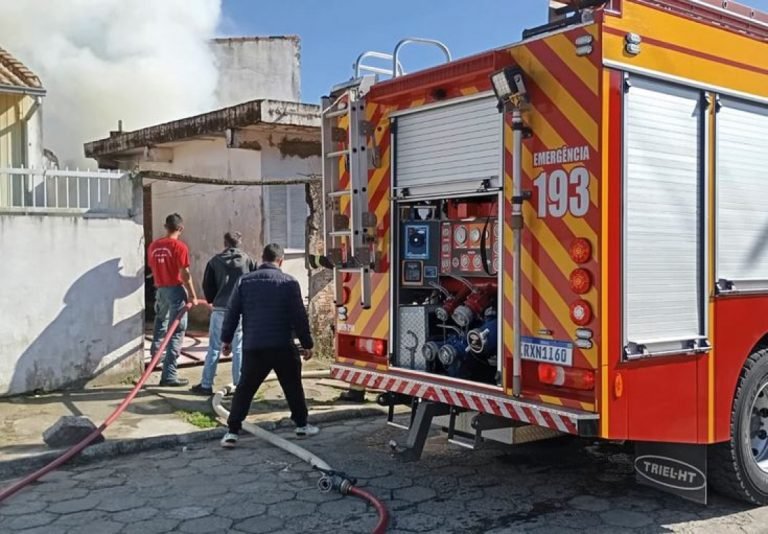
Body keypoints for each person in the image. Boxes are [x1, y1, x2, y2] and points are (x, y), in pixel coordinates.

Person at [219, 243, 318, 447]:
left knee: (245, 388)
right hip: (282, 345)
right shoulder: (289, 282)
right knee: (293, 386)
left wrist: (226, 340)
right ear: (280, 260)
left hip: (254, 347)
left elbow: (232, 313)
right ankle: (301, 425)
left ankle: (232, 432)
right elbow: (299, 317)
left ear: (262, 258)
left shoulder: (244, 282)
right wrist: (307, 343)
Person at [190, 232, 256, 396]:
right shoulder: (248, 260)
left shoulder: (214, 262)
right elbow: (253, 282)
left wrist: (213, 300)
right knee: (238, 347)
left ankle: (206, 385)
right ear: (239, 243)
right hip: (239, 308)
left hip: (220, 308)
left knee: (214, 347)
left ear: (225, 243)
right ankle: (239, 384)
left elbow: (208, 286)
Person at [148, 213, 198, 387]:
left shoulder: (153, 246)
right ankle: (169, 375)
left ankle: (155, 359)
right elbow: (185, 273)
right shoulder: (179, 246)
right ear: (180, 228)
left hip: (160, 290)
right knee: (176, 331)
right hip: (175, 291)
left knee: (160, 323)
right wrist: (193, 295)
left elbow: (153, 267)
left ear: (165, 226)